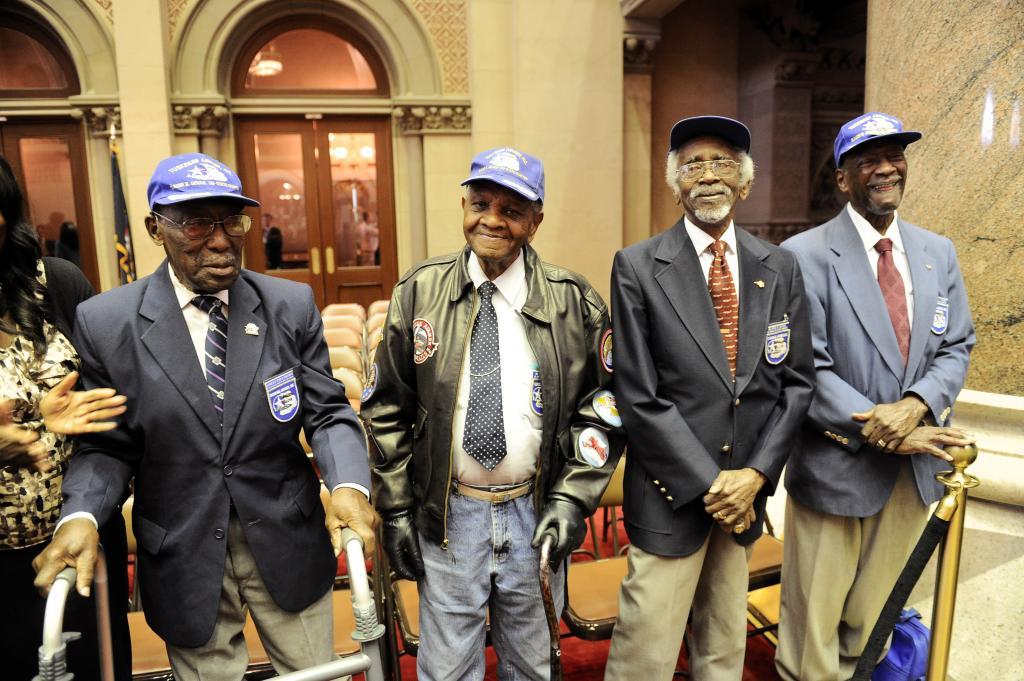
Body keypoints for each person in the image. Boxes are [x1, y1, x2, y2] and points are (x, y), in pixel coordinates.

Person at [33, 152, 378, 681]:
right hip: (183, 550)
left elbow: (327, 413)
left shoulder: (289, 305)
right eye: (197, 222)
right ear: (155, 228)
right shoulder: (106, 323)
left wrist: (350, 486)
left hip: (288, 539)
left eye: (232, 220)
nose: (220, 239)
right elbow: (107, 445)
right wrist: (80, 517)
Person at [364, 146, 624, 680]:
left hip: (536, 514)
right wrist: (394, 510)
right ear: (464, 205)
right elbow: (386, 408)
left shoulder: (575, 302)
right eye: (481, 203)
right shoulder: (419, 293)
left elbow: (606, 406)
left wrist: (573, 498)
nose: (492, 220)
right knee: (448, 671)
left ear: (536, 220)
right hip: (449, 516)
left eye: (511, 210)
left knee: (531, 669)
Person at [603, 116, 815, 681]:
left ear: (744, 184)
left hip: (743, 497)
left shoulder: (780, 266)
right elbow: (638, 394)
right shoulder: (638, 266)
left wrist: (755, 476)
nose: (708, 176)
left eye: (723, 163)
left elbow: (795, 384)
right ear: (675, 184)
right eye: (693, 165)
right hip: (671, 495)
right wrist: (711, 483)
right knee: (643, 659)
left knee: (723, 651)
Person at [775, 112, 976, 681]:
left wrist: (915, 407)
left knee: (875, 625)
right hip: (836, 469)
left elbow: (957, 344)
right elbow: (801, 366)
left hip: (911, 479)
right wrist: (885, 427)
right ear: (843, 178)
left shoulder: (938, 251)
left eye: (895, 156)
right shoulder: (802, 254)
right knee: (813, 635)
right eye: (868, 159)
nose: (886, 168)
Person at [0, 154, 131, 681]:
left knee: (95, 667)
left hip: (77, 537)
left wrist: (70, 419)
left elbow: (110, 397)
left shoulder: (56, 282)